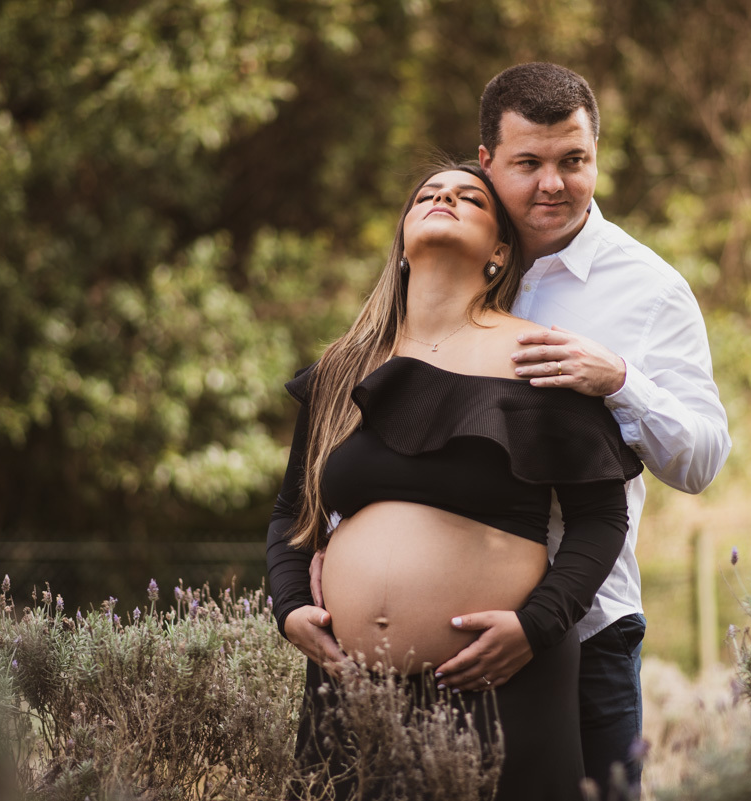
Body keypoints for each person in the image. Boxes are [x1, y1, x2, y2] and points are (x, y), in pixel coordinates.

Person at [266, 160, 643, 800]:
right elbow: (289, 514)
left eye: (469, 196)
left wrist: (536, 626)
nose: (444, 198)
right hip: (352, 688)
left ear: (499, 251)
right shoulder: (342, 367)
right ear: (404, 239)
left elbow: (602, 520)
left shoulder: (541, 360)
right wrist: (289, 607)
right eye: (428, 195)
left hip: (501, 686)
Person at [463, 62, 731, 797]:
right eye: (529, 163)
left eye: (572, 161)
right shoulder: (450, 257)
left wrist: (620, 379)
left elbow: (703, 458)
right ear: (487, 160)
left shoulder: (649, 289)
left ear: (595, 158)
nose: (553, 183)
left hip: (589, 631)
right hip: (449, 636)